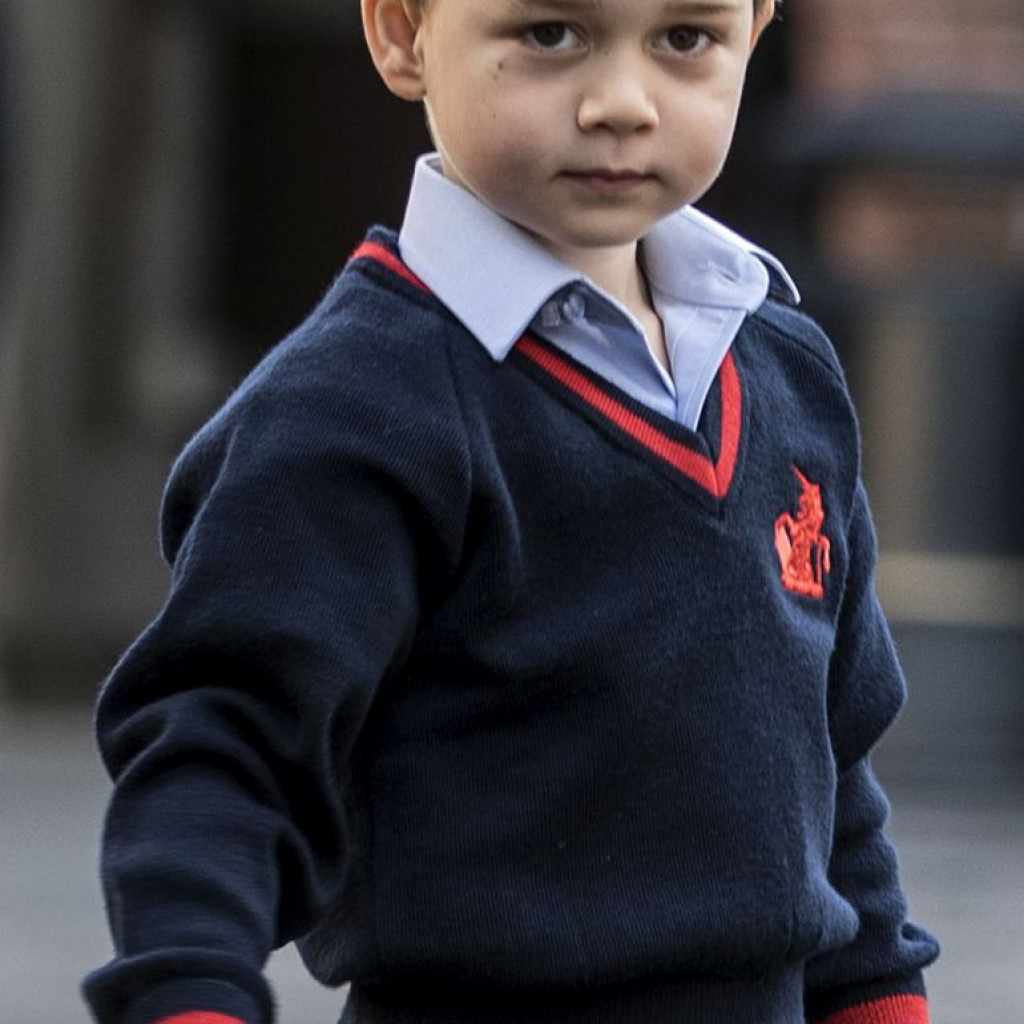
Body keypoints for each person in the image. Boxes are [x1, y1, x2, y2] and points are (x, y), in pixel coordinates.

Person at [84, 1, 940, 1022]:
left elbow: (833, 776)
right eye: (548, 33)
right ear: (402, 34)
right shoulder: (351, 409)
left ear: (754, 35)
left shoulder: (790, 372)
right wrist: (188, 992)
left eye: (684, 38)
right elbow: (222, 753)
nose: (621, 104)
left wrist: (880, 999)